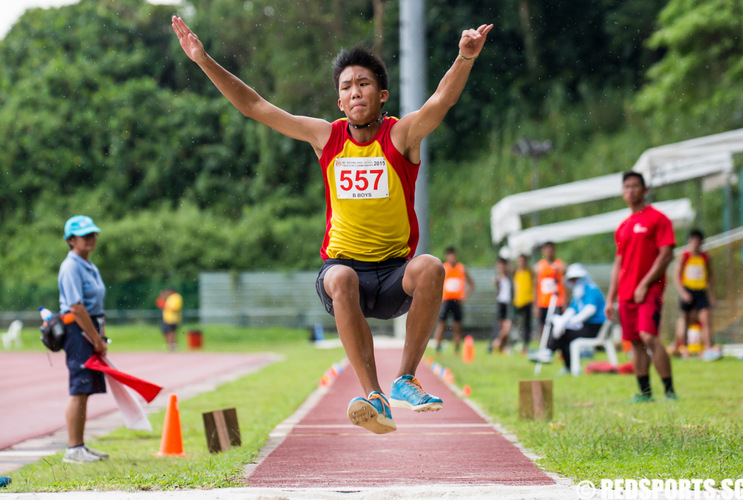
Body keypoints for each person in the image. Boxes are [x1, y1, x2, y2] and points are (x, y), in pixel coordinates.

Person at [172, 16, 493, 434]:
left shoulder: (402, 137)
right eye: (346, 87)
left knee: (432, 267)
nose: (354, 91)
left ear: (382, 96)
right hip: (344, 271)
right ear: (339, 103)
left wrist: (464, 58)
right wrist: (203, 60)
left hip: (395, 273)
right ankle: (373, 395)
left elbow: (440, 102)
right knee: (340, 277)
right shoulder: (327, 138)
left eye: (363, 83)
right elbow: (255, 106)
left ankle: (406, 378)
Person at [604, 171, 677, 402]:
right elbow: (618, 263)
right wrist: (610, 298)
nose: (631, 190)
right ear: (622, 192)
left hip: (650, 290)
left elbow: (666, 254)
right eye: (627, 187)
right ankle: (645, 393)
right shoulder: (623, 227)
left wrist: (645, 284)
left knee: (649, 336)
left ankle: (669, 391)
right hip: (626, 294)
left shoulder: (658, 219)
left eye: (636, 186)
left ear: (645, 190)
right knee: (635, 342)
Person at [58, 215, 110, 463]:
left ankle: (79, 446)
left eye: (93, 233)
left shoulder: (88, 264)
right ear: (70, 240)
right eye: (84, 235)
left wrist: (100, 335)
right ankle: (73, 448)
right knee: (79, 387)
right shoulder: (71, 266)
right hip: (77, 331)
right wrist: (95, 339)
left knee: (86, 389)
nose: (91, 238)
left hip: (89, 330)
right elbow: (76, 307)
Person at [530, 264, 606, 373]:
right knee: (562, 332)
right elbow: (572, 310)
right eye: (572, 280)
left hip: (596, 327)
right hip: (586, 326)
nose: (575, 282)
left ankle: (549, 352)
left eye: (576, 279)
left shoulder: (591, 289)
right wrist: (562, 321)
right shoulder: (578, 293)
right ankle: (562, 362)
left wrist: (571, 322)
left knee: (564, 334)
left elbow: (590, 310)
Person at [671, 229, 719, 361]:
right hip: (687, 290)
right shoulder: (684, 256)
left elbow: (710, 277)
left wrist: (712, 296)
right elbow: (676, 276)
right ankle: (680, 346)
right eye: (693, 240)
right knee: (684, 320)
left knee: (705, 318)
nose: (696, 243)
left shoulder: (705, 257)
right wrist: (683, 292)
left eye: (698, 240)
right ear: (689, 241)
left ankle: (708, 347)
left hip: (701, 291)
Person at [433, 247, 475, 354]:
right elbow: (436, 284)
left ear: (456, 256)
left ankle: (457, 350)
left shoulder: (461, 268)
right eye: (449, 255)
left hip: (457, 301)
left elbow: (471, 284)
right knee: (441, 325)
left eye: (453, 255)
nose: (451, 257)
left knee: (457, 327)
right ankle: (437, 348)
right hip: (446, 301)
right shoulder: (443, 268)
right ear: (447, 256)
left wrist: (466, 295)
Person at [533, 241, 566, 341]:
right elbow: (535, 286)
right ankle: (543, 346)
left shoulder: (561, 266)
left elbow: (565, 285)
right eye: (547, 249)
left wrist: (565, 302)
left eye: (551, 249)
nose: (549, 252)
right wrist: (535, 305)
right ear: (543, 251)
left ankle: (559, 347)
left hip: (557, 301)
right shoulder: (538, 267)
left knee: (558, 326)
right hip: (543, 302)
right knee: (543, 326)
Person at [490, 257, 513, 353]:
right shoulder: (498, 278)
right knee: (502, 328)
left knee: (506, 329)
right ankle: (504, 347)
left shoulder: (510, 277)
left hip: (509, 304)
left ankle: (497, 342)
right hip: (501, 304)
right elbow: (498, 291)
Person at [512, 253, 534, 353]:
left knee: (527, 325)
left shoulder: (530, 272)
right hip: (517, 302)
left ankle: (526, 344)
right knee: (517, 324)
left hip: (528, 302)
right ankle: (516, 342)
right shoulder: (515, 272)